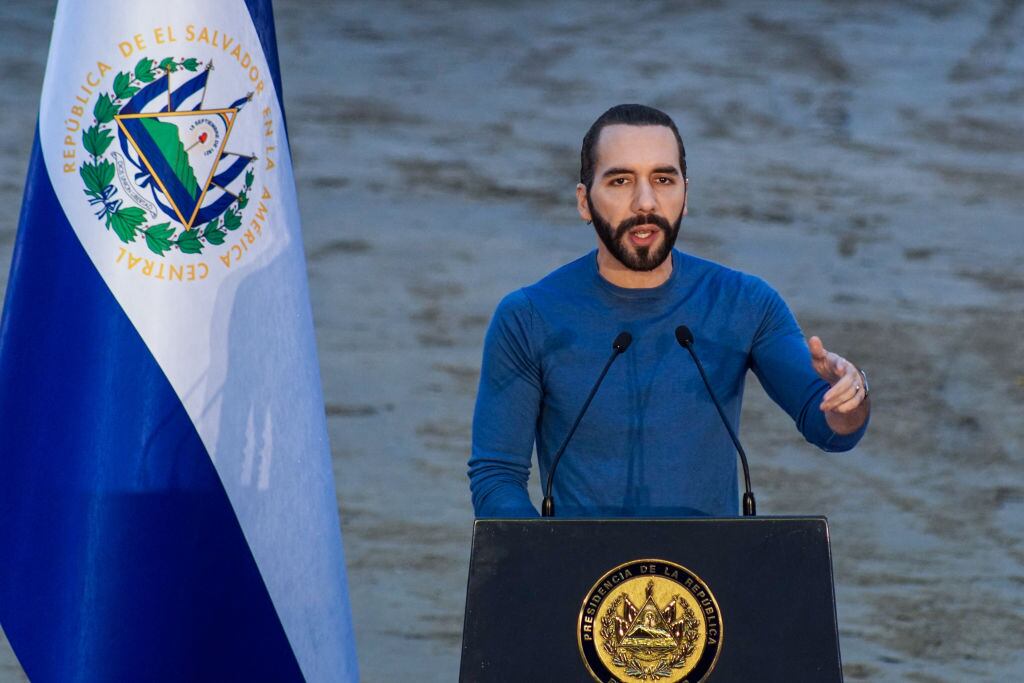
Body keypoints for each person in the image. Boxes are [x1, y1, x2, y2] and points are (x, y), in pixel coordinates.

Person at [468, 104, 870, 518]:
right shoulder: (529, 317)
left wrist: (850, 399)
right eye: (621, 180)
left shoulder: (743, 302)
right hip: (587, 580)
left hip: (710, 578)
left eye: (663, 179)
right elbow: (496, 476)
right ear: (584, 202)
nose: (646, 202)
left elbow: (831, 429)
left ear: (685, 194)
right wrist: (547, 559)